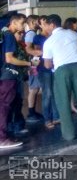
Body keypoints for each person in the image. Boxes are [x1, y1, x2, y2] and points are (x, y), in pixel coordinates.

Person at [42, 14, 77, 141]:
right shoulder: (73, 34)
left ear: (52, 25)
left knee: (63, 102)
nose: (46, 28)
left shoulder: (49, 41)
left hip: (62, 71)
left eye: (47, 25)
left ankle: (69, 135)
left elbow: (47, 65)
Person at [0, 14, 31, 148]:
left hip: (2, 74)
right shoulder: (9, 36)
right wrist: (28, 63)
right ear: (13, 22)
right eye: (22, 23)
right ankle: (2, 138)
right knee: (5, 106)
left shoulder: (3, 32)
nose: (23, 26)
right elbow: (10, 59)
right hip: (9, 74)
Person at [35, 16, 59, 130]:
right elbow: (35, 53)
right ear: (40, 25)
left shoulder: (54, 36)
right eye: (43, 23)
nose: (46, 25)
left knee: (55, 92)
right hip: (43, 69)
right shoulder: (38, 37)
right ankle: (47, 119)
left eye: (47, 23)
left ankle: (56, 117)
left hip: (55, 68)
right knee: (47, 94)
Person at [24, 15, 43, 122]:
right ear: (31, 22)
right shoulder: (31, 34)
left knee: (34, 88)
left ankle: (33, 112)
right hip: (34, 63)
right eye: (36, 21)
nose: (38, 23)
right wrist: (34, 65)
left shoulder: (33, 33)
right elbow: (29, 50)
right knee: (33, 89)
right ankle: (31, 112)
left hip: (33, 63)